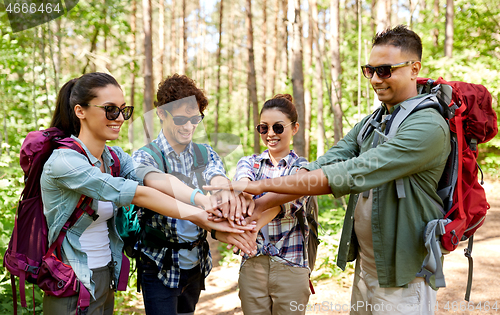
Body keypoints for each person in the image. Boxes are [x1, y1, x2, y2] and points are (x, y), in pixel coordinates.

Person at [206, 25, 450, 314]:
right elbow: (328, 162)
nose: (374, 79)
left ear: (414, 68)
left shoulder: (427, 126)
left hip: (403, 273)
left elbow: (354, 171)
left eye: (384, 70)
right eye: (369, 70)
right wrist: (262, 206)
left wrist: (262, 187)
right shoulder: (374, 121)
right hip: (368, 268)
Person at [41, 72, 255, 315]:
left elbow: (156, 179)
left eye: (124, 110)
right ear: (80, 111)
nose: (120, 118)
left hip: (104, 276)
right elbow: (138, 194)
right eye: (111, 110)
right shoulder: (65, 162)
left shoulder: (114, 157)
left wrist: (204, 200)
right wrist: (202, 215)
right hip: (71, 278)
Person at [131, 74, 255, 315]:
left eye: (195, 119)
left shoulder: (204, 152)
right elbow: (158, 183)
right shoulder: (145, 156)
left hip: (195, 263)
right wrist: (203, 198)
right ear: (161, 113)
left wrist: (223, 193)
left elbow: (216, 175)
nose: (188, 127)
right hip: (158, 265)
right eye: (180, 119)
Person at [221, 94, 311, 315]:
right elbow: (243, 184)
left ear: (295, 128)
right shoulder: (248, 162)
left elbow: (290, 200)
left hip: (291, 264)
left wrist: (255, 210)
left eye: (278, 127)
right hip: (253, 265)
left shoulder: (303, 169)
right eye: (264, 128)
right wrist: (243, 191)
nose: (270, 134)